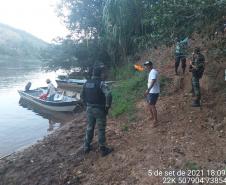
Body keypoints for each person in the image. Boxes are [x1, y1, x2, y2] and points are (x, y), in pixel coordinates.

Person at [81, 67, 113, 157]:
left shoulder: (86, 83)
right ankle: (103, 149)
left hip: (89, 109)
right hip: (99, 109)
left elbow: (81, 96)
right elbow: (109, 94)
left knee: (90, 127)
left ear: (93, 74)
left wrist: (86, 106)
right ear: (100, 74)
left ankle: (86, 146)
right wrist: (107, 106)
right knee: (101, 129)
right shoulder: (101, 83)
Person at [144, 61, 160, 127]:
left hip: (154, 92)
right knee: (149, 104)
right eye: (146, 65)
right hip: (151, 91)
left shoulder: (153, 71)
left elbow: (153, 81)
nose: (146, 67)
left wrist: (148, 89)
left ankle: (156, 121)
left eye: (148, 65)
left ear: (151, 65)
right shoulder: (151, 72)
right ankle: (152, 116)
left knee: (152, 105)